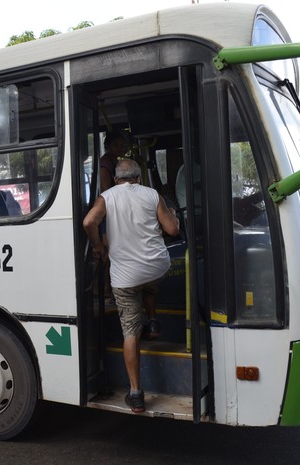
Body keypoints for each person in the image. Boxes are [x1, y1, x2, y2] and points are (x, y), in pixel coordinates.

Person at [83, 159, 179, 413]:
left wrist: (97, 246)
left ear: (116, 179)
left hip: (125, 277)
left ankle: (135, 393)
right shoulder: (152, 194)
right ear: (138, 178)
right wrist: (175, 219)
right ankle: (154, 320)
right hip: (157, 267)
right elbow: (171, 228)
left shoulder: (107, 197)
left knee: (130, 331)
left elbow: (88, 222)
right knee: (149, 281)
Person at [99, 131, 128, 303]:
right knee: (108, 254)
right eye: (116, 145)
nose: (121, 148)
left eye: (123, 145)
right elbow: (105, 189)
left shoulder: (115, 162)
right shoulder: (105, 164)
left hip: (113, 213)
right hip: (108, 214)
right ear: (108, 146)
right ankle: (106, 290)